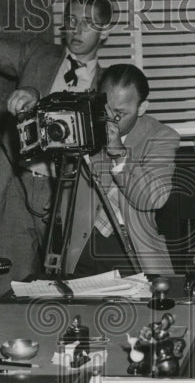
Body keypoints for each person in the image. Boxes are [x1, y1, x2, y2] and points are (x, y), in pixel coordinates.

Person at [0, 0, 114, 293]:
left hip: (67, 198)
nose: (76, 29)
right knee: (4, 297)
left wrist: (38, 99)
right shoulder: (37, 54)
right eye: (71, 19)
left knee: (70, 295)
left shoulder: (108, 85)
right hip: (14, 187)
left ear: (105, 32)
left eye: (88, 23)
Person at [64, 63, 179, 277]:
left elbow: (154, 198)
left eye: (119, 114)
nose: (108, 119)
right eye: (104, 108)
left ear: (142, 108)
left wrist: (119, 152)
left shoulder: (163, 137)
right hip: (81, 246)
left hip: (132, 250)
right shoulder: (83, 126)